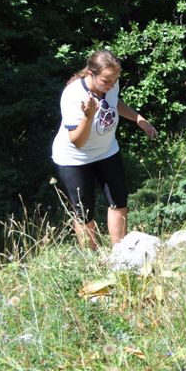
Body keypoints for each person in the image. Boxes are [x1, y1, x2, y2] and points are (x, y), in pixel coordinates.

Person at [51, 49, 157, 249]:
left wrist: (139, 119)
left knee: (119, 201)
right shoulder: (73, 95)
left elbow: (114, 102)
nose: (111, 84)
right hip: (75, 159)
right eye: (106, 81)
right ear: (91, 73)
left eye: (115, 79)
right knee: (84, 213)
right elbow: (77, 141)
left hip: (107, 151)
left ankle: (121, 253)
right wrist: (88, 116)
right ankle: (92, 259)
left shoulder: (111, 83)